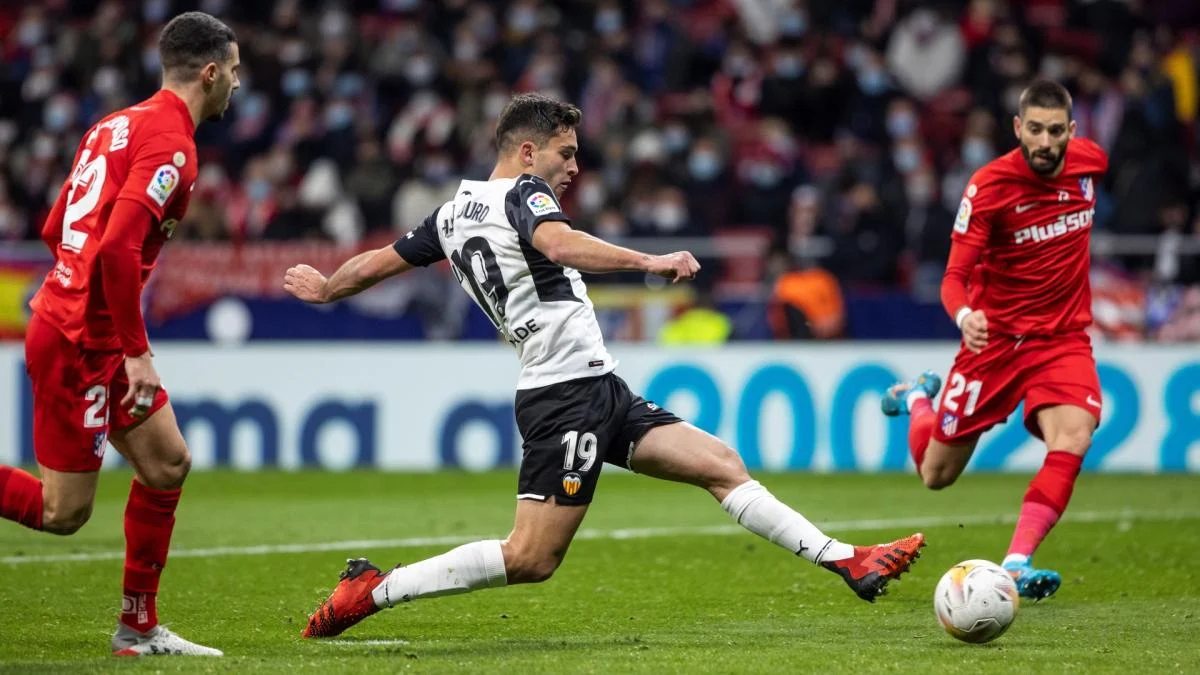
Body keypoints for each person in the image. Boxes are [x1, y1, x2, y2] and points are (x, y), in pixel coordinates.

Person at [286, 93, 926, 639]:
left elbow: (378, 261)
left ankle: (848, 561)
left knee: (720, 465)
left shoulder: (451, 214)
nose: (574, 166)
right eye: (565, 153)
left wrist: (329, 288)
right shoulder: (524, 194)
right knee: (531, 557)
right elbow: (559, 242)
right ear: (528, 152)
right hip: (564, 394)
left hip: (596, 386)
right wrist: (650, 261)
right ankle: (374, 591)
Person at [0, 12, 239, 656]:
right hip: (81, 340)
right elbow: (113, 249)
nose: (237, 84)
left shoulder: (113, 125)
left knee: (167, 464)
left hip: (86, 325)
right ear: (210, 73)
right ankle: (136, 628)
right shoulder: (172, 145)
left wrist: (84, 295)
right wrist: (136, 352)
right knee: (63, 513)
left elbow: (55, 227)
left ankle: (137, 628)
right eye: (234, 71)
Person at [882, 80, 1108, 600]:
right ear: (1018, 128)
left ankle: (1016, 563)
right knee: (936, 475)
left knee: (1073, 437)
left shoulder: (1091, 163)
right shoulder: (988, 187)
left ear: (1072, 132)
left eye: (1056, 131)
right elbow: (953, 277)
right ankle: (916, 398)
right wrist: (965, 316)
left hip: (1062, 339)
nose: (1045, 142)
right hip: (995, 344)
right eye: (1036, 130)